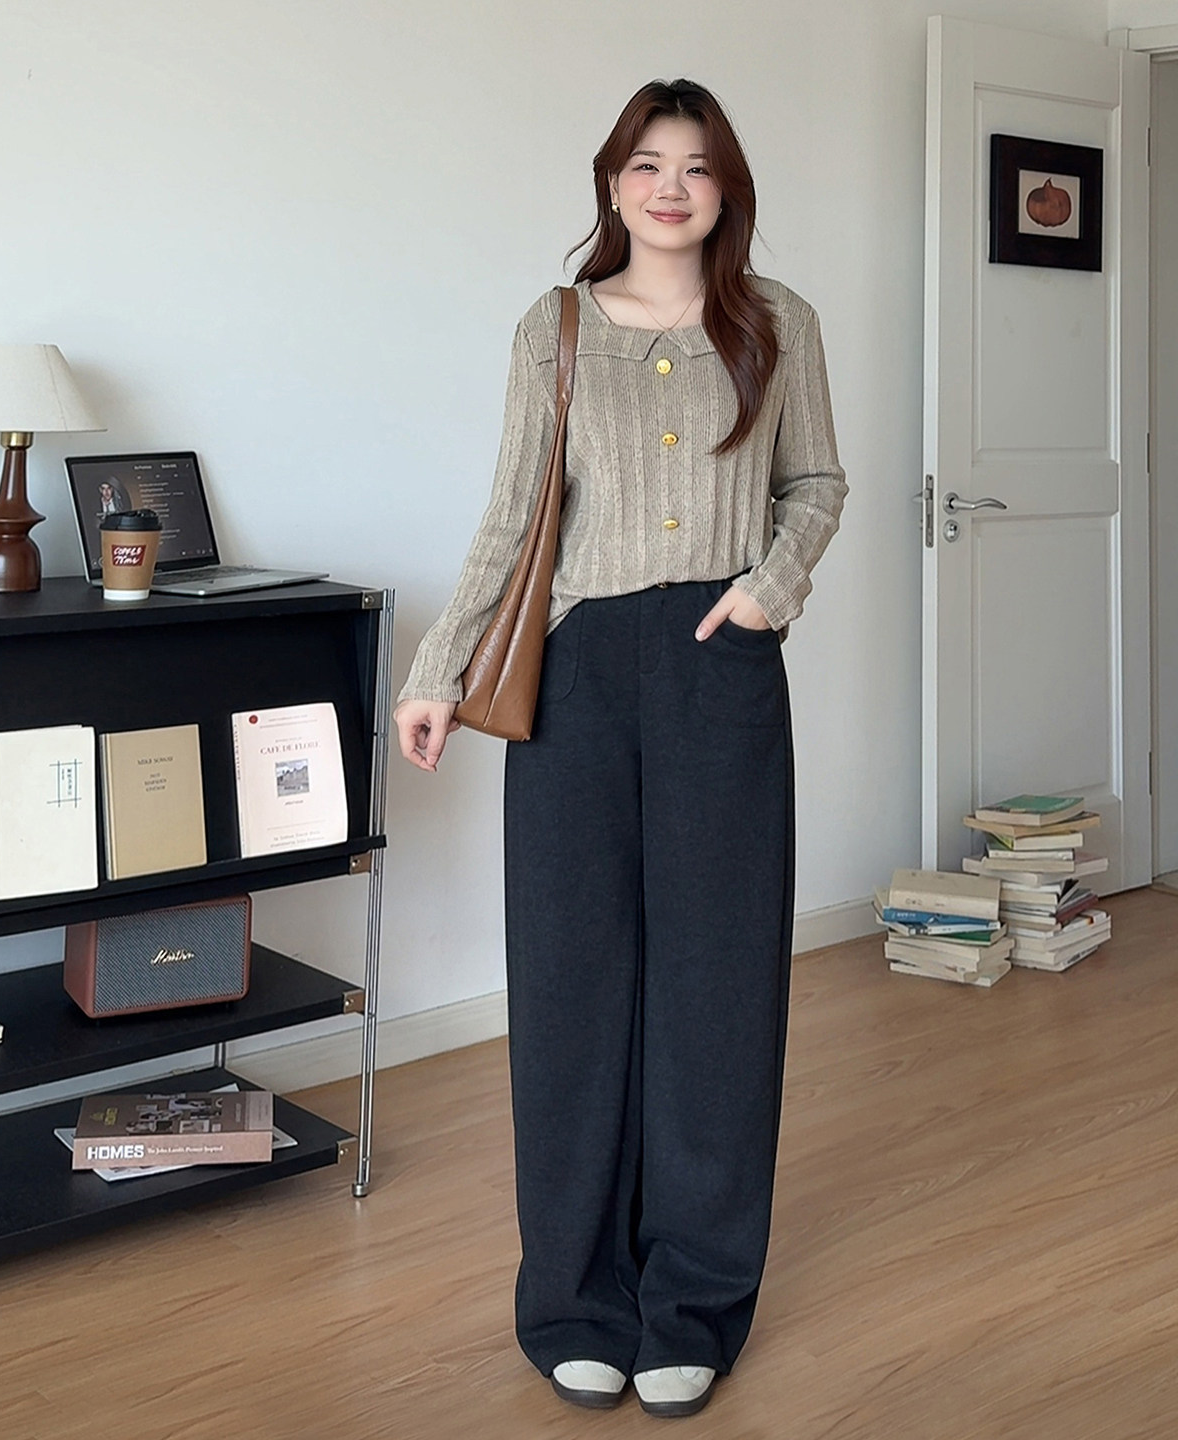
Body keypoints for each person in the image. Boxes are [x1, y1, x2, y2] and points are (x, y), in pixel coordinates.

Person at [394, 78, 846, 1419]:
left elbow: (816, 485)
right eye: (646, 164)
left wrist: (768, 591)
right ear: (611, 182)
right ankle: (575, 1298)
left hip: (720, 665)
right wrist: (437, 672)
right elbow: (510, 514)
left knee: (718, 986)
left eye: (695, 167)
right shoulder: (556, 327)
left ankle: (693, 1300)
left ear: (726, 189)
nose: (669, 188)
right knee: (573, 982)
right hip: (579, 672)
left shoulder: (778, 322)